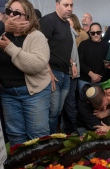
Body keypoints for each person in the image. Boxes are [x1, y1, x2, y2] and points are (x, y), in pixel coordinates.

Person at [0, 0, 51, 146]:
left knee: (38, 136)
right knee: (15, 136)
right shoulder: (0, 34)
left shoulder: (36, 36)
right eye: (9, 11)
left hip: (34, 93)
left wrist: (10, 48)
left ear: (28, 17)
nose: (11, 15)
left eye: (17, 13)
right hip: (8, 93)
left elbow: (36, 65)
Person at [39, 0, 78, 134]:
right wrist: (48, 72)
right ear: (57, 5)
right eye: (66, 5)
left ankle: (54, 141)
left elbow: (63, 48)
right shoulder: (49, 20)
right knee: (52, 112)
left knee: (57, 112)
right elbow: (40, 48)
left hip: (65, 73)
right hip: (53, 72)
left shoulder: (67, 24)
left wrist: (72, 63)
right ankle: (47, 143)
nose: (69, 8)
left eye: (71, 5)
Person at [77, 22, 110, 91]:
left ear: (101, 32)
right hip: (85, 80)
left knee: (102, 101)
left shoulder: (107, 45)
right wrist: (91, 74)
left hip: (103, 80)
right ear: (89, 33)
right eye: (93, 33)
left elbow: (109, 62)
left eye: (98, 32)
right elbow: (80, 62)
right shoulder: (83, 45)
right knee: (84, 101)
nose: (95, 35)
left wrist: (100, 76)